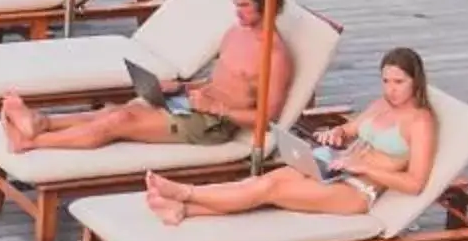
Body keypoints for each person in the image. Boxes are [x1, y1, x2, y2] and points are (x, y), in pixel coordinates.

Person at [145, 43, 437, 226]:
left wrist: (363, 166)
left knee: (269, 192)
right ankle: (183, 210)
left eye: (399, 82)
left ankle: (185, 192)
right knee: (260, 182)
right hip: (333, 167)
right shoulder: (380, 104)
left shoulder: (420, 122)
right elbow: (348, 130)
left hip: (357, 192)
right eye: (386, 81)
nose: (391, 89)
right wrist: (335, 133)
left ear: (416, 81)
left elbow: (414, 184)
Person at [0, 0, 281, 155]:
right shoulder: (235, 33)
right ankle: (41, 122)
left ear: (266, 4)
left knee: (121, 120)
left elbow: (267, 120)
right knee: (111, 110)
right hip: (194, 104)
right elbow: (223, 80)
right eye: (235, 5)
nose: (237, 12)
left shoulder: (275, 56)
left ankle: (32, 141)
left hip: (213, 125)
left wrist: (217, 109)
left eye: (244, 6)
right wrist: (182, 88)